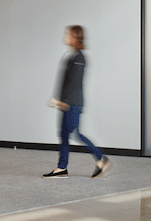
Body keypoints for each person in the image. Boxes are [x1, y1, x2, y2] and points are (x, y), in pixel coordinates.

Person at [43, 25, 111, 178]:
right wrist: (59, 100)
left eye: (68, 35)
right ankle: (62, 168)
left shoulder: (79, 58)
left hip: (72, 104)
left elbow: (74, 83)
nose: (65, 37)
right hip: (67, 103)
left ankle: (101, 159)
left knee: (76, 134)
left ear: (75, 38)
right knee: (64, 134)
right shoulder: (71, 56)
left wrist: (64, 102)